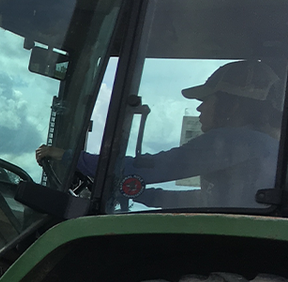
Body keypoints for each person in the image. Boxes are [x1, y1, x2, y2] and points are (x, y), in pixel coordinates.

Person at [37, 60, 282, 208]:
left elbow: (153, 167)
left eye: (207, 99)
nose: (199, 107)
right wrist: (138, 192)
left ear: (233, 105)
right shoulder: (262, 146)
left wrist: (68, 156)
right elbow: (203, 202)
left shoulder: (235, 141)